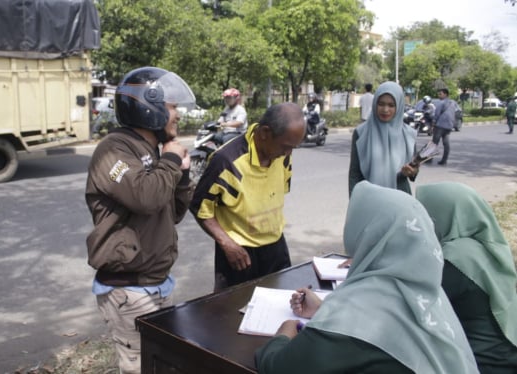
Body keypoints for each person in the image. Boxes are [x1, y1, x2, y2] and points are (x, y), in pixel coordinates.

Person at [255, 181, 479, 374]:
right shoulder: (427, 291)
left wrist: (283, 335)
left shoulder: (357, 310)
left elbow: (281, 368)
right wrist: (324, 310)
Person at [84, 66, 196, 373]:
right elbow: (146, 197)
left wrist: (182, 174)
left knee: (160, 364)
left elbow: (171, 212)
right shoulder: (114, 150)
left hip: (155, 282)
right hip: (129, 289)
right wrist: (171, 159)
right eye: (172, 107)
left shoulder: (152, 151)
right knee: (139, 367)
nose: (178, 114)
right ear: (150, 107)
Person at [189, 103, 306, 291]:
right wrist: (226, 243)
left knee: (280, 311)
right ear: (264, 133)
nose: (288, 153)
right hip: (239, 255)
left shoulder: (282, 156)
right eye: (285, 146)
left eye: (293, 148)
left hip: (276, 249)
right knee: (235, 315)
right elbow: (199, 207)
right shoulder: (226, 161)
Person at [416, 182, 517, 372]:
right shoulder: (482, 246)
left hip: (486, 364)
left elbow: (416, 299)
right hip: (504, 356)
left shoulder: (457, 258)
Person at [348, 81, 419, 196]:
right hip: (370, 199)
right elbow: (354, 174)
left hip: (400, 198)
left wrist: (412, 172)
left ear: (399, 106)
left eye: (391, 105)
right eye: (381, 104)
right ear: (375, 103)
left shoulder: (409, 135)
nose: (385, 110)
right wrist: (355, 202)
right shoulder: (361, 133)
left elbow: (413, 172)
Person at [432, 88, 459, 165]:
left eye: (440, 94)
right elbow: (457, 111)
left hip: (440, 125)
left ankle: (428, 159)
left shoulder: (441, 103)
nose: (439, 95)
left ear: (445, 94)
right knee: (446, 144)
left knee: (434, 143)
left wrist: (433, 123)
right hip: (449, 126)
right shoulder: (453, 102)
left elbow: (437, 114)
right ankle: (444, 160)